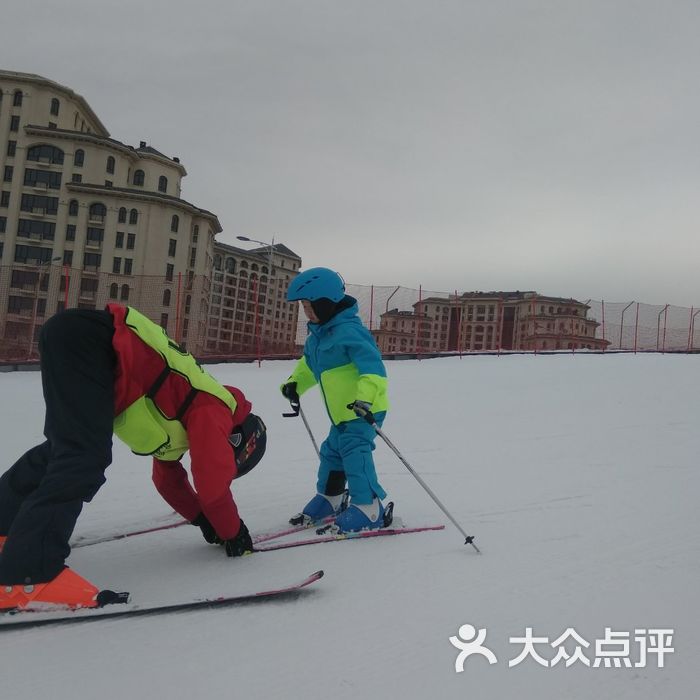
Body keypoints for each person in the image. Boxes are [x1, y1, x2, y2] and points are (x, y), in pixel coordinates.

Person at [0, 304, 266, 611]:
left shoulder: (188, 412)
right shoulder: (215, 409)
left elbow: (167, 479)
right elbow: (211, 484)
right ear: (238, 439)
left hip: (78, 337)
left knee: (63, 450)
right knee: (82, 456)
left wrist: (202, 519)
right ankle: (26, 574)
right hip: (96, 343)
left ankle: (6, 529)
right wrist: (233, 531)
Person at [281, 267, 389, 532]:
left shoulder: (351, 332)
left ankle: (369, 507)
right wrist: (294, 384)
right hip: (341, 413)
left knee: (354, 451)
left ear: (326, 303)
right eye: (304, 306)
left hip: (364, 409)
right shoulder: (317, 337)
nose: (306, 312)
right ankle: (331, 498)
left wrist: (365, 399)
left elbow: (373, 369)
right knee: (332, 452)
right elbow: (309, 366)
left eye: (309, 306)